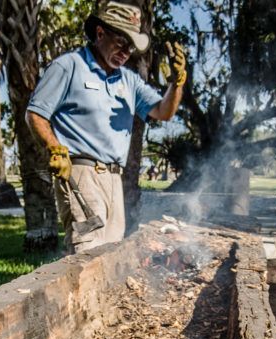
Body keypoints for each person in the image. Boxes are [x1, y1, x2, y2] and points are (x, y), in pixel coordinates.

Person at [26, 0, 187, 253]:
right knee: (88, 252)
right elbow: (35, 114)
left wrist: (176, 83)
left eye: (131, 46)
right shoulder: (68, 66)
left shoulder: (129, 80)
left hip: (115, 178)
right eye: (122, 42)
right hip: (81, 173)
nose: (126, 52)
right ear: (100, 33)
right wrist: (55, 149)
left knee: (110, 254)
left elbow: (163, 112)